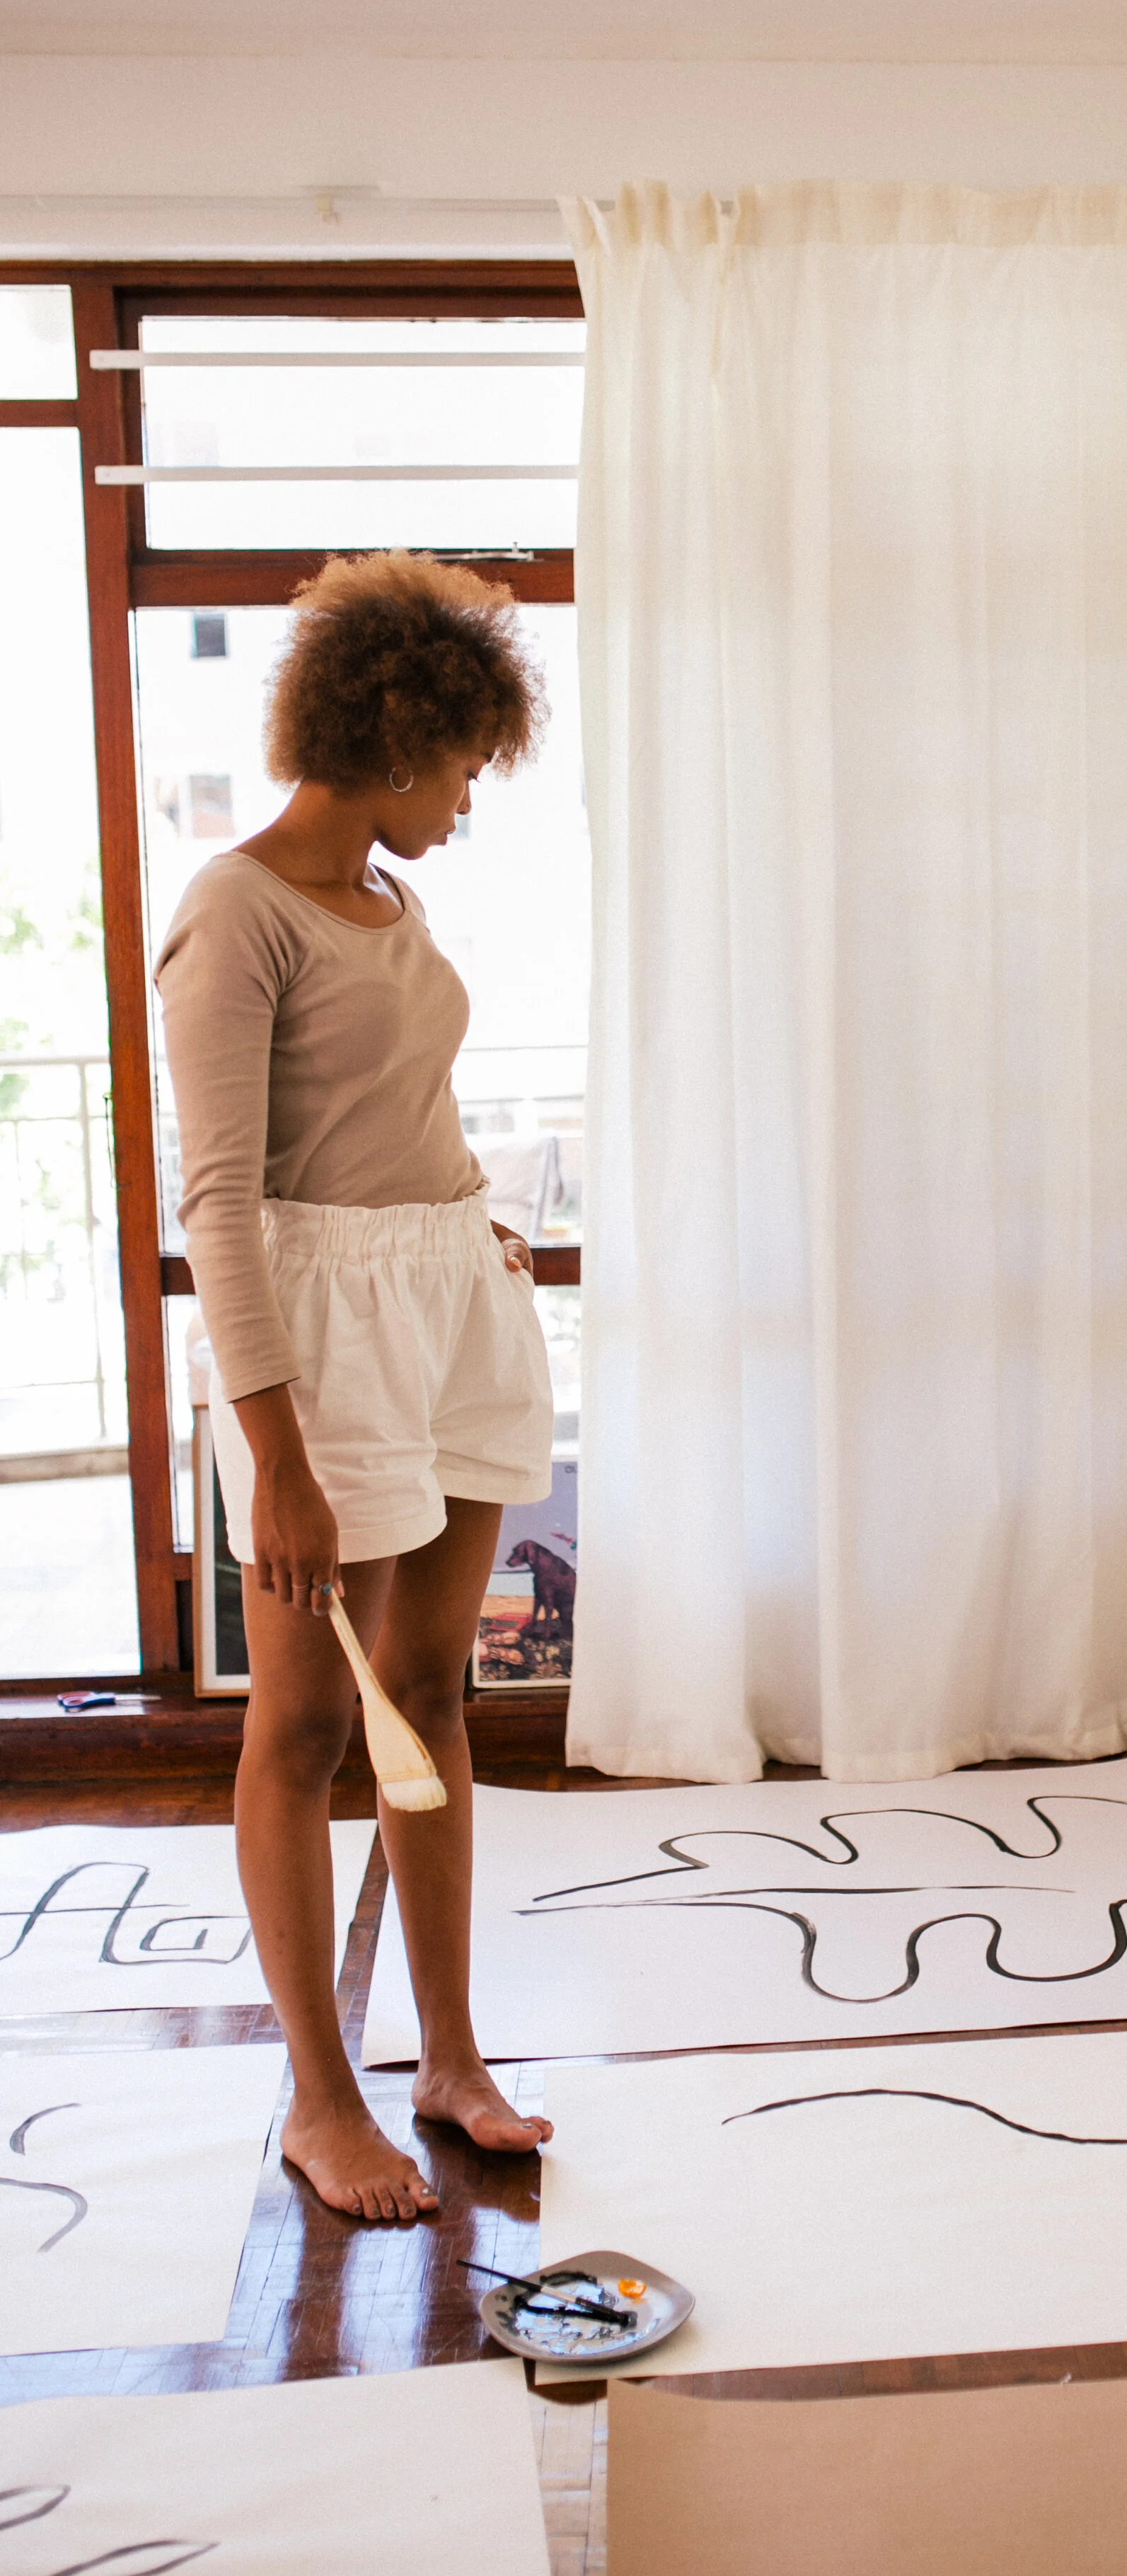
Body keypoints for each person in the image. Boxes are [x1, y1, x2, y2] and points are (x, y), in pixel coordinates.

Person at [156, 551, 556, 2220]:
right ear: (399, 737)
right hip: (316, 1349)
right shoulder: (233, 911)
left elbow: (389, 1105)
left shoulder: (392, 901)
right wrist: (281, 1463)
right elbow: (223, 1207)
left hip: (445, 1300)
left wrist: (473, 1230)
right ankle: (322, 2099)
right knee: (312, 1723)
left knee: (435, 1698)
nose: (469, 798)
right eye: (465, 767)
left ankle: (448, 2060)